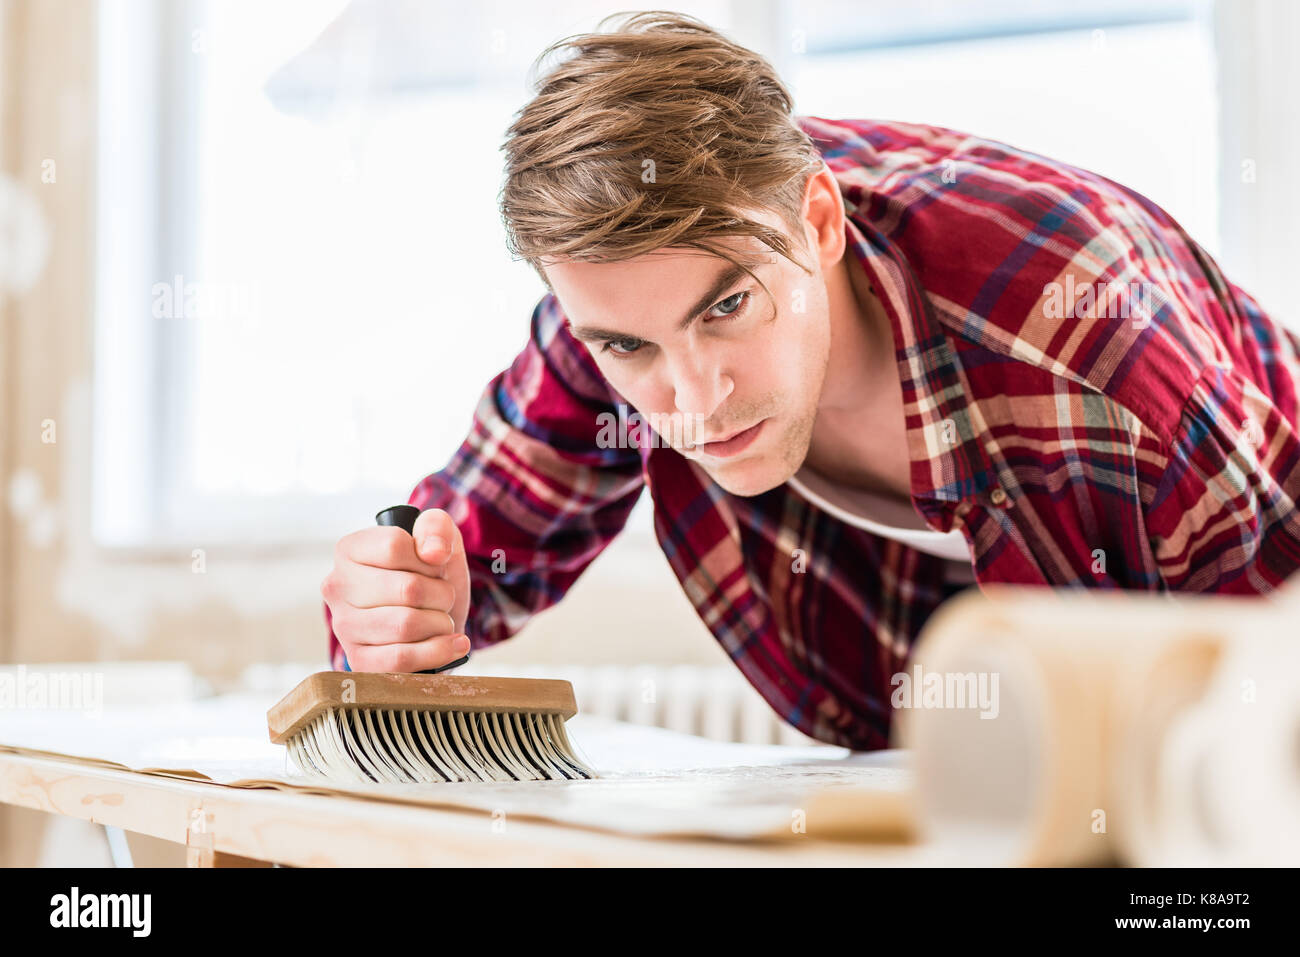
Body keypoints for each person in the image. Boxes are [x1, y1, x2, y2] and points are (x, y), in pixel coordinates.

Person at [319, 12, 1300, 750]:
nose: (694, 402)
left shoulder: (1091, 347)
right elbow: (445, 584)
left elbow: (1260, 735)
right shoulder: (617, 305)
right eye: (628, 350)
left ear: (820, 223)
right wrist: (392, 613)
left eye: (726, 309)